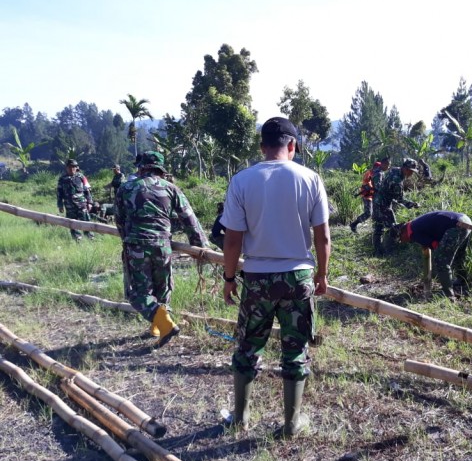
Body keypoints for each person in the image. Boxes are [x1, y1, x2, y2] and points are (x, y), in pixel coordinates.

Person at [221, 116, 331, 437]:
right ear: (292, 146)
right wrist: (322, 276)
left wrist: (230, 278)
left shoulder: (242, 181)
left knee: (248, 346)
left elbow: (232, 240)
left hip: (257, 278)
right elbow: (322, 238)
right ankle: (292, 423)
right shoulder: (311, 179)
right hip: (298, 278)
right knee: (295, 349)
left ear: (262, 147)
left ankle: (240, 419)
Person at [114, 151, 208, 347]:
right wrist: (201, 247)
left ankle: (164, 325)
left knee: (137, 293)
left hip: (137, 245)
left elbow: (119, 220)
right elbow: (190, 219)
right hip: (163, 246)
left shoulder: (126, 187)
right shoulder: (171, 188)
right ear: (160, 169)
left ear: (141, 167)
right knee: (162, 288)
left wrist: (127, 240)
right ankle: (158, 326)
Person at [391, 211, 472, 297]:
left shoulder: (413, 232)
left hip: (456, 227)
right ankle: (462, 281)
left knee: (441, 260)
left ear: (402, 233)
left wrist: (436, 251)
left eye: (401, 239)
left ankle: (448, 293)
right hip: (465, 221)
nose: (403, 242)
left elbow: (434, 245)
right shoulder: (415, 224)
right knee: (459, 254)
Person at [372, 158, 419, 255]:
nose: (411, 174)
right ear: (406, 169)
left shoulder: (395, 170)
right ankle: (389, 251)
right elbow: (399, 199)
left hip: (378, 200)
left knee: (379, 226)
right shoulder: (397, 180)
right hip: (383, 204)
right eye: (411, 171)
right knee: (393, 227)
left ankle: (378, 251)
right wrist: (412, 204)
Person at [349, 157, 390, 233]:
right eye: (377, 167)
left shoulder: (373, 173)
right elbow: (368, 185)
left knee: (373, 213)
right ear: (375, 167)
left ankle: (373, 229)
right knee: (368, 213)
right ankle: (354, 224)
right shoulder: (370, 173)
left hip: (372, 195)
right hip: (367, 195)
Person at [57, 159, 95, 241]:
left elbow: (87, 191)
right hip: (69, 206)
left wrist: (90, 202)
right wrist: (60, 205)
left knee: (86, 222)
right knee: (72, 224)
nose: (71, 169)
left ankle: (90, 238)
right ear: (66, 168)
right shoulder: (62, 179)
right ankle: (77, 239)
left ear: (76, 167)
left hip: (82, 205)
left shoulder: (81, 177)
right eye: (69, 167)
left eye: (73, 167)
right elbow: (59, 193)